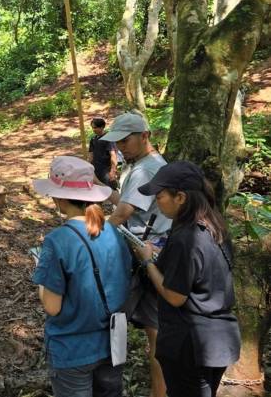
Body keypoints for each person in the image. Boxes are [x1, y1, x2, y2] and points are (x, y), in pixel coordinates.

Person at [132, 161, 240, 397]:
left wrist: (148, 261)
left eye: (159, 196)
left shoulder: (186, 237)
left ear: (180, 197)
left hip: (191, 344)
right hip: (219, 339)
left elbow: (175, 296)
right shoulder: (214, 225)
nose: (156, 202)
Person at [31, 156, 131, 397]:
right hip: (111, 343)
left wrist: (41, 281)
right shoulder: (114, 233)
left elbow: (52, 306)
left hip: (72, 348)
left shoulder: (58, 241)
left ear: (60, 198)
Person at [97, 112, 172, 397]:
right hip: (143, 251)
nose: (120, 148)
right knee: (151, 330)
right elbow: (126, 201)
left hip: (146, 254)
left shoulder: (147, 168)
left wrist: (88, 237)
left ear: (145, 136)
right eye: (117, 143)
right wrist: (100, 188)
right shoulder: (140, 165)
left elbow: (123, 213)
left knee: (116, 319)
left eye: (125, 141)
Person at [88, 117, 118, 189]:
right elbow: (91, 155)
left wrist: (113, 171)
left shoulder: (109, 138)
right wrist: (88, 167)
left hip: (106, 171)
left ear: (102, 127)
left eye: (95, 128)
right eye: (92, 128)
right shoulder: (93, 139)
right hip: (96, 170)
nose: (93, 130)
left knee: (110, 190)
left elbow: (113, 155)